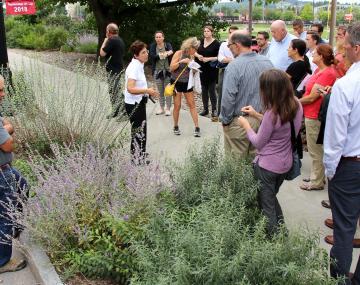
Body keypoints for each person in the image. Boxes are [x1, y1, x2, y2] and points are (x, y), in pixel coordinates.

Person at [238, 69, 303, 236]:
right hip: (285, 163)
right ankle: (283, 232)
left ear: (269, 90)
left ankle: (275, 243)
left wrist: (246, 125)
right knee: (271, 199)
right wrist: (256, 114)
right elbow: (280, 127)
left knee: (266, 207)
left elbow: (259, 142)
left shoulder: (271, 113)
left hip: (267, 167)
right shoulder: (296, 103)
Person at [323, 22, 360, 285]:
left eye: (345, 45)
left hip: (349, 165)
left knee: (345, 229)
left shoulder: (346, 85)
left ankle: (338, 281)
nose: (343, 50)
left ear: (356, 49)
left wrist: (330, 170)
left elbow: (335, 138)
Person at [220, 32, 273, 158]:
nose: (229, 49)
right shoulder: (267, 62)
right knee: (255, 161)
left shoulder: (234, 66)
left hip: (240, 121)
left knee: (236, 167)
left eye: (229, 46)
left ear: (237, 45)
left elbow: (228, 97)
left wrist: (225, 121)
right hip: (262, 120)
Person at [299, 44, 337, 191]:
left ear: (321, 56)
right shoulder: (318, 71)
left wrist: (293, 101)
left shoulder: (327, 73)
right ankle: (318, 176)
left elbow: (312, 97)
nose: (312, 54)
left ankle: (317, 181)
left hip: (315, 115)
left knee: (316, 150)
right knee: (314, 148)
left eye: (315, 53)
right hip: (310, 113)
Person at [0, 75, 27, 274]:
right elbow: (7, 143)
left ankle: (15, 227)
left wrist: (6, 128)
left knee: (22, 185)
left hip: (6, 168)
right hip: (1, 172)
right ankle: (2, 261)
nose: (3, 94)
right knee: (5, 213)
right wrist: (8, 130)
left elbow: (8, 125)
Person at [124, 41, 159, 164]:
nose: (146, 54)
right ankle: (136, 160)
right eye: (143, 52)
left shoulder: (139, 64)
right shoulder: (134, 68)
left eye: (147, 51)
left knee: (141, 130)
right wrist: (147, 90)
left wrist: (147, 91)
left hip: (138, 102)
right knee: (138, 131)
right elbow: (130, 88)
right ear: (136, 55)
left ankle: (141, 153)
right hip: (134, 105)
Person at [170, 37, 201, 137]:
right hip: (176, 82)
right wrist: (181, 62)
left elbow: (193, 71)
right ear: (190, 46)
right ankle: (175, 126)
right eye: (195, 48)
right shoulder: (178, 53)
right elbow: (171, 68)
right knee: (177, 105)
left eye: (196, 49)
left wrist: (194, 69)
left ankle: (197, 127)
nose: (196, 50)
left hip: (187, 83)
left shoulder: (192, 56)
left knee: (192, 105)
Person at [100, 23, 125, 119]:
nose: (106, 32)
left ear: (109, 32)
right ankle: (115, 111)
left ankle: (124, 113)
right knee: (113, 91)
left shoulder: (111, 40)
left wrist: (105, 41)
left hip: (114, 70)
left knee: (116, 91)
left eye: (107, 30)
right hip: (117, 69)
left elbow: (102, 53)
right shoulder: (119, 39)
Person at [195, 25, 220, 119]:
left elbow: (219, 57)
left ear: (212, 32)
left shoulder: (217, 43)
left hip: (211, 69)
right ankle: (205, 109)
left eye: (208, 31)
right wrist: (198, 56)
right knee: (204, 90)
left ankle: (214, 110)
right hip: (202, 69)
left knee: (212, 90)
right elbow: (194, 51)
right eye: (205, 31)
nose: (206, 33)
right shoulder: (201, 41)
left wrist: (209, 59)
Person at [149, 31, 174, 116]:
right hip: (157, 71)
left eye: (160, 37)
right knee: (160, 91)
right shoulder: (153, 46)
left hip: (168, 71)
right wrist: (165, 54)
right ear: (155, 38)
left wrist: (160, 55)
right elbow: (153, 56)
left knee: (168, 90)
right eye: (157, 37)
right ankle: (161, 108)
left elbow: (171, 52)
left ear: (163, 37)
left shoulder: (167, 44)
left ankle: (168, 108)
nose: (158, 39)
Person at [217, 26, 239, 117]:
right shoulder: (224, 44)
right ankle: (220, 113)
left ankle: (234, 113)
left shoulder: (240, 44)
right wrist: (231, 60)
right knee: (221, 90)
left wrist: (229, 59)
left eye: (234, 33)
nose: (232, 34)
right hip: (225, 70)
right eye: (230, 32)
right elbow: (220, 58)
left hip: (237, 71)